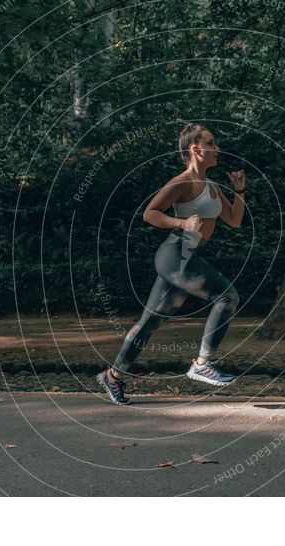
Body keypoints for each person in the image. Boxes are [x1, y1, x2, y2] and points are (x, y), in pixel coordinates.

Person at [97, 122, 247, 405]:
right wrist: (181, 222)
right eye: (211, 143)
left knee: (149, 323)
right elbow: (150, 213)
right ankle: (203, 363)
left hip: (189, 256)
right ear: (195, 149)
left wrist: (239, 190)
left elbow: (234, 220)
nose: (217, 148)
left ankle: (113, 376)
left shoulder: (213, 187)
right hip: (175, 253)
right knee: (227, 296)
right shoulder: (182, 182)